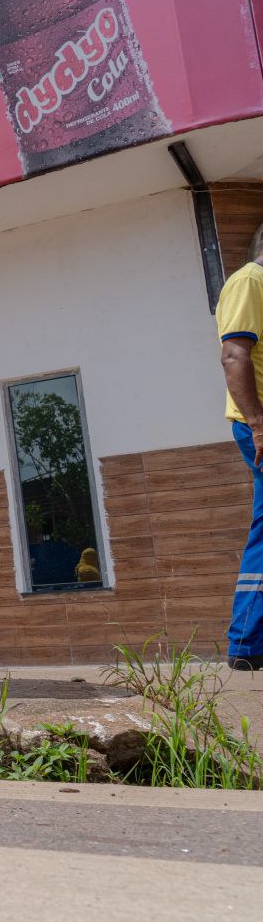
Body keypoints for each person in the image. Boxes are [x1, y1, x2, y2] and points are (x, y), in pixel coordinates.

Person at [215, 222, 263, 672]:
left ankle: (249, 641)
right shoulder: (250, 280)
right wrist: (258, 422)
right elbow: (234, 355)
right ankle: (247, 642)